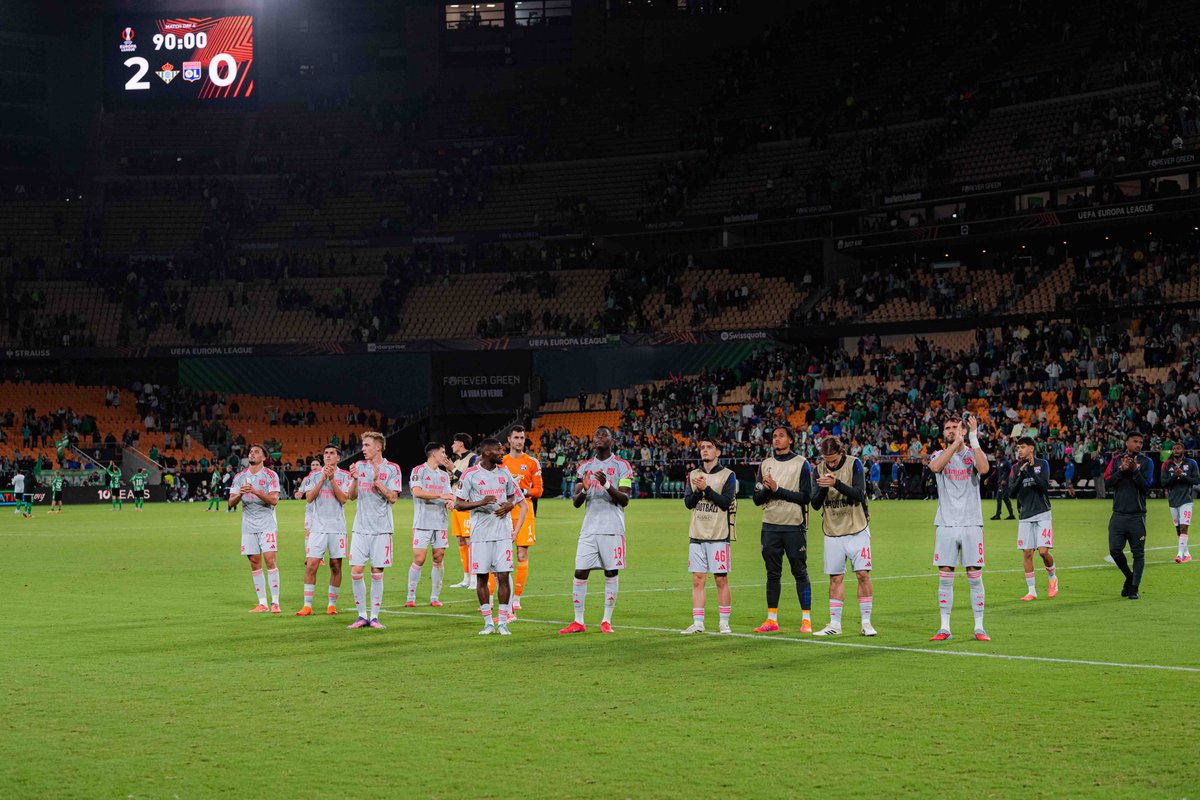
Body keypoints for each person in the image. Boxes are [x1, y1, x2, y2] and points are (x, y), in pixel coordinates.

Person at [559, 426, 631, 635]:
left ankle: (606, 621)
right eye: (596, 435)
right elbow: (575, 501)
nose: (599, 438)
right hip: (589, 529)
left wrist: (607, 485)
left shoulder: (622, 466)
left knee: (611, 572)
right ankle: (578, 621)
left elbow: (625, 499)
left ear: (612, 440)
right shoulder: (584, 467)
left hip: (612, 529)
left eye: (603, 435)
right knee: (580, 571)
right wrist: (587, 489)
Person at [454, 437, 528, 636]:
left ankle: (502, 622)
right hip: (480, 534)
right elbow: (458, 504)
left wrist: (510, 505)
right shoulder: (470, 475)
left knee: (504, 576)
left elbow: (514, 495)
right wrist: (481, 502)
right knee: (482, 578)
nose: (502, 452)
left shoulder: (504, 473)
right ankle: (487, 622)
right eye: (499, 450)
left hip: (502, 533)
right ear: (487, 453)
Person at [929, 414, 992, 642]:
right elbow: (935, 467)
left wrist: (972, 439)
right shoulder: (939, 455)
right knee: (945, 576)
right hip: (946, 524)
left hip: (971, 523)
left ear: (963, 429)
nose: (951, 430)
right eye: (947, 428)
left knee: (974, 576)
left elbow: (984, 469)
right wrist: (955, 443)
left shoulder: (972, 454)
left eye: (955, 427)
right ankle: (944, 627)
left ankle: (979, 627)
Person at [810, 436, 875, 637]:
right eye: (827, 460)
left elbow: (859, 494)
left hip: (857, 530)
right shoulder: (818, 470)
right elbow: (814, 504)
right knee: (835, 578)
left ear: (841, 452)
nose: (830, 464)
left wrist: (835, 483)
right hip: (832, 532)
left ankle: (866, 623)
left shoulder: (854, 464)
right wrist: (823, 488)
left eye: (833, 460)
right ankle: (834, 624)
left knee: (863, 575)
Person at [752, 425, 814, 633]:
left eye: (781, 436)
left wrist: (777, 489)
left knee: (800, 572)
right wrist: (767, 490)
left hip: (793, 526)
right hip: (770, 526)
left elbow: (806, 497)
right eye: (774, 437)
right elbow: (756, 499)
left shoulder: (801, 464)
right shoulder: (765, 465)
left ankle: (806, 619)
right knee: (772, 574)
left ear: (790, 440)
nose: (776, 439)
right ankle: (771, 619)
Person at [681, 438, 737, 634]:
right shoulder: (693, 475)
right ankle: (698, 623)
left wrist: (706, 489)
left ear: (718, 452)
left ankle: (724, 623)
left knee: (720, 579)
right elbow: (688, 503)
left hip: (718, 535)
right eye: (702, 448)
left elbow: (725, 502)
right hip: (697, 535)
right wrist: (697, 491)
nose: (704, 450)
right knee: (698, 579)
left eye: (709, 447)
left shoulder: (728, 475)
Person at [347, 432, 403, 629]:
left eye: (367, 445)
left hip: (381, 529)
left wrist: (378, 481)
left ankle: (375, 616)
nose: (363, 448)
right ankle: (362, 615)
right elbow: (351, 496)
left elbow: (393, 498)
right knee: (356, 571)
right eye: (363, 445)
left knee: (377, 572)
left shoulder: (392, 468)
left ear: (378, 447)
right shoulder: (358, 467)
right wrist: (354, 479)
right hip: (360, 529)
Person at [296, 447, 351, 617]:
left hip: (337, 528)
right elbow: (309, 498)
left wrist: (332, 480)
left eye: (332, 453)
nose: (328, 456)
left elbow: (343, 499)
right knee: (311, 565)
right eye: (326, 454)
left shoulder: (345, 476)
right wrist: (321, 479)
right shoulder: (313, 475)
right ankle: (307, 606)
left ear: (338, 457)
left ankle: (331, 605)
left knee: (335, 566)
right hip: (317, 528)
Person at [229, 444, 282, 614]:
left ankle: (275, 602)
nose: (252, 454)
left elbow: (274, 500)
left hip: (267, 523)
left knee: (270, 560)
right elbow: (231, 503)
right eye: (251, 451)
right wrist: (240, 494)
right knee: (254, 562)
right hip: (248, 525)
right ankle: (262, 603)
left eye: (256, 452)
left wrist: (255, 491)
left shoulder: (270, 475)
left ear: (264, 457)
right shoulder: (239, 477)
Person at [1007, 437, 1057, 601]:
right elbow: (1011, 493)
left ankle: (1052, 578)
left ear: (1031, 448)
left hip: (1042, 513)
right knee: (1027, 553)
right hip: (1025, 515)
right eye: (1018, 447)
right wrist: (1021, 474)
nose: (1019, 450)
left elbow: (1044, 487)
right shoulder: (1015, 468)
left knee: (1043, 552)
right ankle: (1032, 591)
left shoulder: (1042, 464)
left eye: (1022, 447)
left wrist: (1030, 473)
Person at [1105, 432, 1153, 599]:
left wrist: (1134, 472)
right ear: (1127, 443)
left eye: (1141, 442)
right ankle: (1129, 576)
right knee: (1114, 550)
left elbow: (1147, 487)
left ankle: (1134, 588)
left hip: (1137, 516)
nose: (1138, 445)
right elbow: (1106, 483)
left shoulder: (1147, 462)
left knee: (1138, 553)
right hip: (1118, 514)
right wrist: (1120, 471)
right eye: (1135, 441)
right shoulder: (1116, 461)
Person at [407, 443, 456, 608]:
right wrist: (440, 495)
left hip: (440, 523)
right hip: (422, 523)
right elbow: (417, 492)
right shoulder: (418, 471)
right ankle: (410, 596)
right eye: (443, 452)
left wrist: (449, 501)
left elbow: (449, 495)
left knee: (439, 557)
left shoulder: (444, 475)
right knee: (419, 558)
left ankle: (435, 597)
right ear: (433, 454)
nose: (445, 456)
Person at [447, 433, 478, 589]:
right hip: (455, 505)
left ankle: (474, 578)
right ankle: (465, 577)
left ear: (460, 443)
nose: (452, 445)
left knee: (469, 541)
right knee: (460, 540)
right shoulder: (457, 461)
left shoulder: (473, 458)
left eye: (454, 442)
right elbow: (455, 482)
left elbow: (471, 479)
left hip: (466, 505)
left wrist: (453, 470)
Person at [1161, 441, 1197, 563]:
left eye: (1178, 448)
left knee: (1183, 528)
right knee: (1178, 529)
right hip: (1172, 501)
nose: (1176, 450)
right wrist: (1175, 476)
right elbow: (1163, 483)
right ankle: (1187, 553)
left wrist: (1182, 476)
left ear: (1183, 450)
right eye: (1174, 448)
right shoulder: (1166, 465)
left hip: (1186, 501)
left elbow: (1196, 480)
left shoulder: (1191, 463)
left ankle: (1179, 554)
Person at [990, 453, 1015, 520]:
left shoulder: (1006, 462)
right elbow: (996, 472)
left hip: (1005, 484)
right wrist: (989, 478)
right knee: (1005, 499)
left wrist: (1006, 480)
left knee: (999, 498)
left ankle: (998, 515)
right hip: (1000, 483)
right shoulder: (998, 462)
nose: (997, 454)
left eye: (998, 453)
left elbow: (1011, 471)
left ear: (1002, 454)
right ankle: (1011, 515)